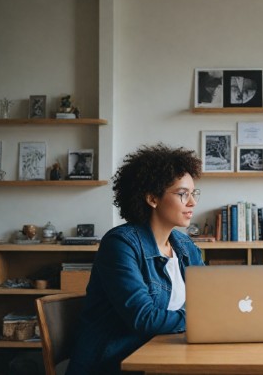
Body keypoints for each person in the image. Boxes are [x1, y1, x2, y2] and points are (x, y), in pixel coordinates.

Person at [66, 143, 205, 374]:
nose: (193, 203)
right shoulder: (120, 244)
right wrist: (200, 320)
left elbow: (209, 301)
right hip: (113, 361)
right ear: (152, 198)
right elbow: (144, 318)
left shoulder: (185, 246)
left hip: (162, 353)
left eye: (193, 193)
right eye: (183, 194)